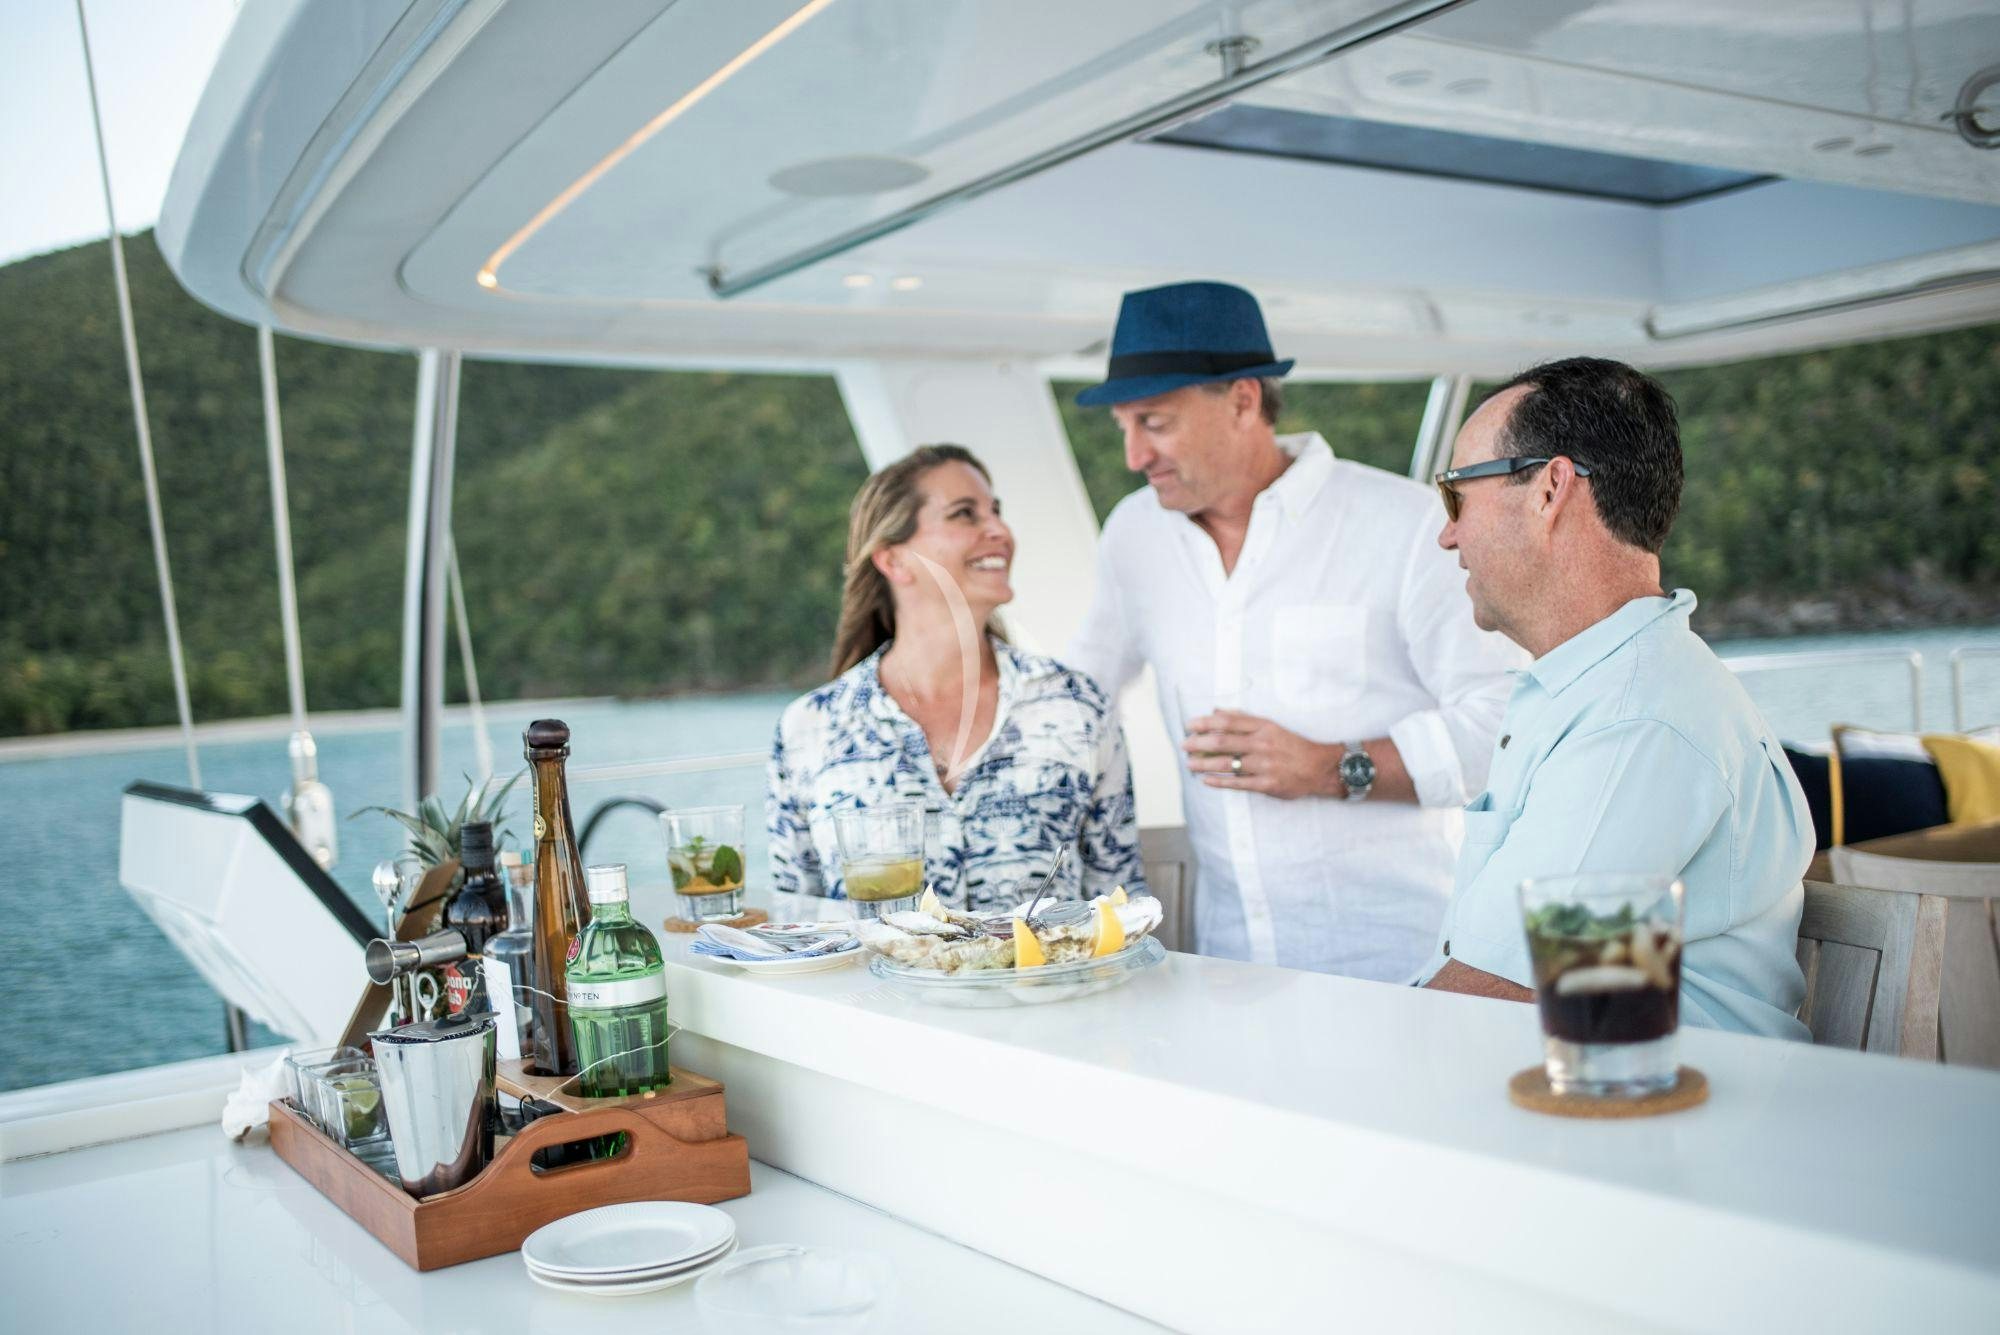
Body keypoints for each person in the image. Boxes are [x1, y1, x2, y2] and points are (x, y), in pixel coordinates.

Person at [1067, 281, 1521, 981]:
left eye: (1154, 422)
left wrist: (1333, 766)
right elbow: (1077, 696)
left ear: (1243, 399)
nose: (1133, 455)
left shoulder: (1404, 525)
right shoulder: (1133, 533)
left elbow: (1507, 725)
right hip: (1228, 971)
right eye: (1123, 426)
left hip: (1406, 970)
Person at [1421, 357, 1811, 1038]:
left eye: (1458, 493)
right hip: (1577, 1092)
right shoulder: (1599, 689)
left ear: (1550, 488)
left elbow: (1495, 992)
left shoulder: (1639, 715)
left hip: (1662, 1120)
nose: (1448, 532)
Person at [767, 444, 1147, 911]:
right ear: (894, 560)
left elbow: (1124, 908)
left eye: (996, 512)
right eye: (965, 514)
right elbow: (793, 923)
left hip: (1053, 986)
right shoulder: (810, 727)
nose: (1000, 531)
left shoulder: (1075, 705)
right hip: (875, 988)